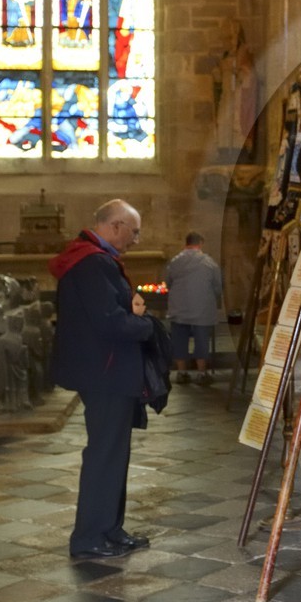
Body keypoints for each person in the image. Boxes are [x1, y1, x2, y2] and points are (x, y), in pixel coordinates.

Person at [48, 198, 152, 561]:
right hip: (106, 373)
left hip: (106, 372)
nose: (136, 240)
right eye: (134, 232)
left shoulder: (93, 260)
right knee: (104, 455)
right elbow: (109, 321)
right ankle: (89, 536)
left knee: (113, 454)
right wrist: (146, 325)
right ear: (116, 226)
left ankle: (109, 528)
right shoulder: (93, 263)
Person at [165, 231, 222, 385]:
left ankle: (182, 373)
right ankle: (202, 374)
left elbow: (168, 283)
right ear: (200, 243)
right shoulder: (209, 262)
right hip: (202, 310)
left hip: (179, 309)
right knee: (202, 340)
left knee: (179, 340)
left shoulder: (175, 261)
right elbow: (217, 286)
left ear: (186, 243)